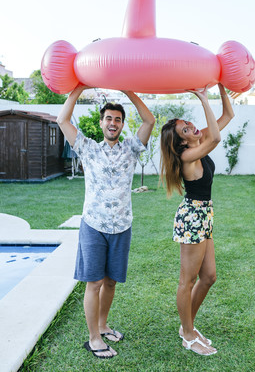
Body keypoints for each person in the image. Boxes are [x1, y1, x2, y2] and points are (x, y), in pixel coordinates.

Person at [56, 85, 155, 359]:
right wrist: (78, 89)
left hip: (122, 225)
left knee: (111, 282)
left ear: (122, 124)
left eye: (118, 119)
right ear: (101, 123)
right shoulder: (87, 148)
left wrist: (129, 91)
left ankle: (103, 324)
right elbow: (62, 120)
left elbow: (150, 121)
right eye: (109, 118)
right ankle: (94, 338)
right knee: (94, 283)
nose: (113, 123)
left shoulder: (132, 149)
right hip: (94, 225)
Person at [160, 84, 234, 356]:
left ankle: (186, 326)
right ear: (181, 142)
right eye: (185, 129)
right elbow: (215, 138)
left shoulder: (197, 141)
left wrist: (222, 87)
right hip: (192, 217)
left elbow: (227, 117)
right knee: (186, 280)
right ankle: (188, 334)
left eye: (188, 124)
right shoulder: (187, 156)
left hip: (204, 215)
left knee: (209, 276)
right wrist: (203, 97)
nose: (192, 127)